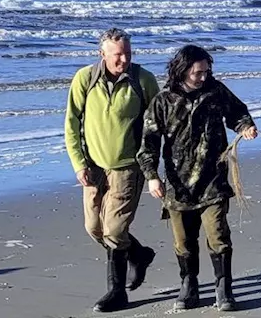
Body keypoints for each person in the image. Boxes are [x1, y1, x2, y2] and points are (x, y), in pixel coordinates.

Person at [138, 44, 257, 312]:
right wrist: (152, 177)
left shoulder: (216, 91)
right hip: (178, 186)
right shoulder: (163, 101)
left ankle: (224, 288)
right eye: (198, 73)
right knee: (183, 242)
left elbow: (237, 112)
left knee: (218, 236)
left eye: (207, 71)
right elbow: (149, 143)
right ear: (182, 70)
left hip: (213, 180)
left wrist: (246, 126)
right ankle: (189, 285)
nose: (204, 77)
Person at [63, 27, 160, 312]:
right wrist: (79, 163)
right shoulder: (85, 78)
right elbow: (71, 124)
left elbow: (158, 124)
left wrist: (153, 166)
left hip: (128, 167)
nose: (123, 60)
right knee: (94, 228)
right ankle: (140, 255)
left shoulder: (143, 80)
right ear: (102, 54)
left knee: (115, 231)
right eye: (118, 55)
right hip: (93, 168)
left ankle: (116, 292)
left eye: (128, 54)